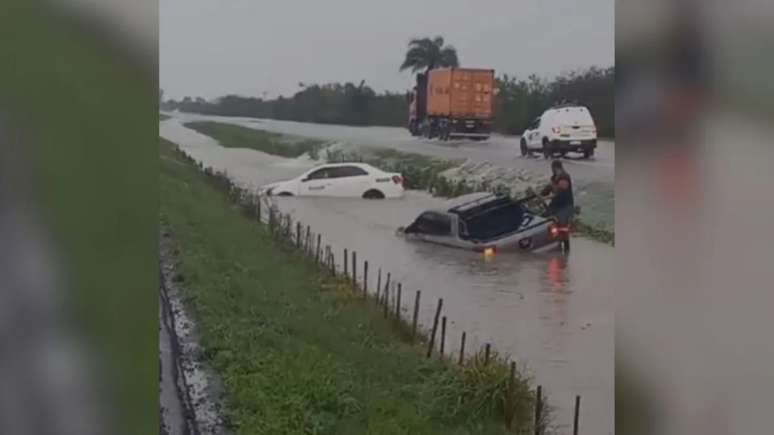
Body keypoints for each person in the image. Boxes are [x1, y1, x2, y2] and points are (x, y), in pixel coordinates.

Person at [541, 160, 575, 226]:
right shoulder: (554, 178)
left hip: (564, 206)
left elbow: (561, 193)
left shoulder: (564, 177)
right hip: (555, 206)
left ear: (555, 168)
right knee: (543, 218)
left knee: (560, 224)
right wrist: (540, 195)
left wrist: (546, 198)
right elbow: (547, 189)